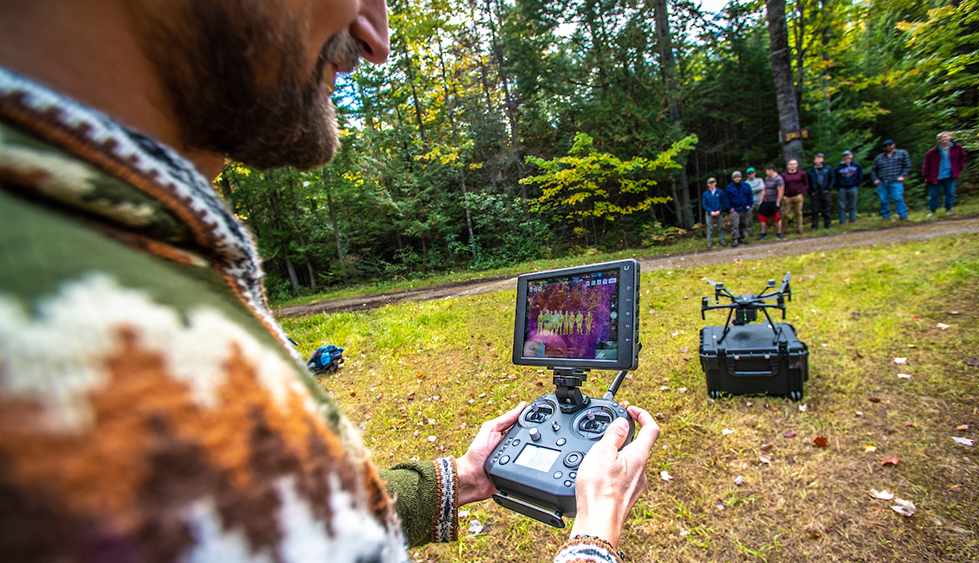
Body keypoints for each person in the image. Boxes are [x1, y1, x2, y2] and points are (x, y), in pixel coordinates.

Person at [0, 2, 660, 562]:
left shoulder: (122, 244)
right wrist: (594, 537)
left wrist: (454, 479)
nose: (376, 35)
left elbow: (285, 519)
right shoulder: (87, 352)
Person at [922, 131, 967, 218]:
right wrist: (926, 173)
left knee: (949, 193)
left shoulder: (957, 148)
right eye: (941, 138)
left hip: (950, 174)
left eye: (945, 137)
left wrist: (960, 167)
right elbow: (926, 163)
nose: (943, 139)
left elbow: (963, 157)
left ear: (950, 137)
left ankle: (948, 209)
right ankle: (932, 210)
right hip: (935, 175)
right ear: (939, 140)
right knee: (933, 194)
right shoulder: (933, 151)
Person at [871, 139, 911, 220]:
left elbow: (907, 165)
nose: (888, 147)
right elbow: (873, 170)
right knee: (883, 200)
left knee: (898, 198)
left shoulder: (902, 153)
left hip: (895, 181)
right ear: (883, 148)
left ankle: (903, 215)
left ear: (894, 145)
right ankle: (885, 217)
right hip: (882, 182)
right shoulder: (879, 157)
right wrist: (875, 179)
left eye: (890, 145)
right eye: (886, 146)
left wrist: (903, 176)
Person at [723, 171, 754, 246]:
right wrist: (729, 208)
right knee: (735, 224)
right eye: (735, 177)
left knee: (743, 223)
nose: (737, 179)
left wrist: (749, 205)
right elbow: (725, 199)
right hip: (734, 209)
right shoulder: (729, 188)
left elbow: (750, 196)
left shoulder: (746, 185)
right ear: (733, 179)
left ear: (741, 177)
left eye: (738, 177)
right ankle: (735, 239)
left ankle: (741, 238)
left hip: (744, 207)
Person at [757, 164, 787, 240]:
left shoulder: (779, 179)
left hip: (774, 201)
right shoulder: (767, 178)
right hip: (766, 201)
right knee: (762, 217)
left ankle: (779, 232)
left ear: (771, 170)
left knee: (776, 218)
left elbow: (781, 191)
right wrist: (761, 200)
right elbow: (764, 190)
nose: (766, 172)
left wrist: (778, 202)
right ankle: (763, 233)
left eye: (767, 171)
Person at [780, 159, 809, 234]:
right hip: (787, 196)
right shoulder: (784, 175)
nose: (792, 166)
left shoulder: (801, 173)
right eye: (790, 164)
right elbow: (781, 185)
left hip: (798, 195)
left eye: (794, 164)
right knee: (785, 213)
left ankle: (800, 228)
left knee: (798, 212)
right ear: (788, 166)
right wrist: (783, 194)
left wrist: (802, 193)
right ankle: (783, 229)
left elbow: (806, 184)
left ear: (797, 165)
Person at [833, 150, 863, 224]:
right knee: (841, 206)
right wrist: (838, 187)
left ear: (851, 156)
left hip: (853, 187)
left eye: (848, 155)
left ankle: (852, 220)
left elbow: (860, 176)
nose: (846, 157)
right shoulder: (838, 168)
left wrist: (856, 184)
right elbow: (834, 179)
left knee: (852, 205)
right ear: (842, 158)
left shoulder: (857, 166)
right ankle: (842, 221)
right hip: (842, 188)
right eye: (844, 156)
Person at [806, 153, 834, 230]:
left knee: (826, 209)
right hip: (815, 193)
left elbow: (832, 178)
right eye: (817, 158)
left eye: (820, 158)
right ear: (814, 160)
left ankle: (827, 224)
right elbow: (807, 182)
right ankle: (815, 225)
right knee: (815, 210)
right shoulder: (810, 171)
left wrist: (829, 189)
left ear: (823, 159)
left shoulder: (827, 169)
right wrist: (810, 191)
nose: (818, 160)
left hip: (825, 192)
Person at [702, 177, 727, 248]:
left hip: (718, 212)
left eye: (713, 182)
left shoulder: (720, 192)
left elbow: (722, 202)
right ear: (708, 184)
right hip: (709, 213)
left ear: (715, 183)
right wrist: (710, 211)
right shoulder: (705, 194)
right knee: (710, 228)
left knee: (720, 227)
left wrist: (719, 210)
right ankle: (709, 242)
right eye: (710, 183)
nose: (712, 184)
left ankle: (723, 240)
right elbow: (704, 204)